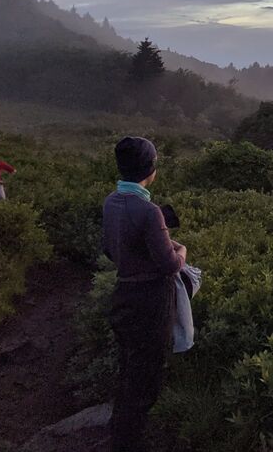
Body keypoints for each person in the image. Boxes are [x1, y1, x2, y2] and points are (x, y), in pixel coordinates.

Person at [102, 136, 187, 452]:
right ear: (150, 168)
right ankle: (128, 442)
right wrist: (182, 251)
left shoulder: (111, 201)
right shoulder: (150, 211)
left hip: (124, 293)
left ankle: (118, 433)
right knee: (146, 377)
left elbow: (110, 249)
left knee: (129, 368)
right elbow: (169, 265)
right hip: (150, 302)